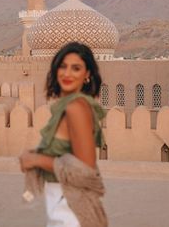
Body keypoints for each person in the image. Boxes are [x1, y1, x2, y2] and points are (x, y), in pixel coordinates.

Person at [19, 42, 108, 227]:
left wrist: (36, 160)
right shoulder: (70, 106)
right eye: (63, 66)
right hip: (64, 201)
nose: (67, 74)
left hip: (71, 207)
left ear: (87, 74)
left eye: (76, 68)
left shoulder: (76, 108)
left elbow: (86, 171)